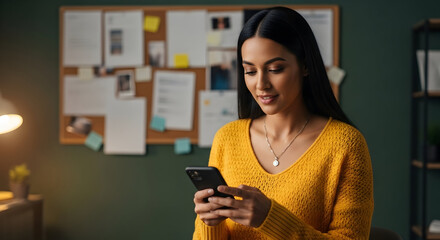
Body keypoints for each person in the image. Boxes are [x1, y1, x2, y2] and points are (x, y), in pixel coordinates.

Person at [192, 6, 374, 240]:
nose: (261, 84)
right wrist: (210, 223)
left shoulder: (345, 145)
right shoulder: (227, 138)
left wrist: (270, 218)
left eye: (275, 69)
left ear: (305, 66)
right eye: (250, 71)